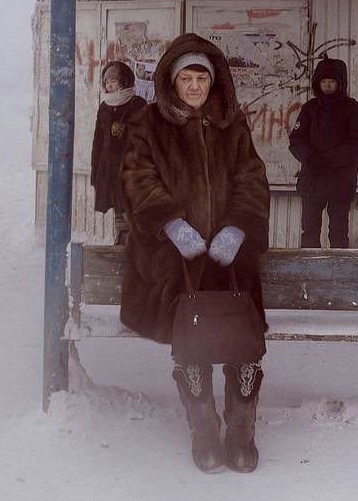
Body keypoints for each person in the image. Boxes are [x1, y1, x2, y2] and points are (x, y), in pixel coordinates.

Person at [119, 33, 270, 474]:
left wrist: (238, 226)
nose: (194, 86)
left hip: (229, 255)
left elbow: (252, 177)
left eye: (201, 77)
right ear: (171, 81)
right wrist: (170, 222)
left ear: (214, 81)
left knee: (245, 337)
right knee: (190, 340)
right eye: (186, 77)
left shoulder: (232, 122)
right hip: (172, 256)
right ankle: (204, 428)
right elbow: (135, 177)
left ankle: (241, 430)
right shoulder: (147, 123)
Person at [288, 56, 358, 248]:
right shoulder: (310, 109)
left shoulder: (353, 109)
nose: (327, 86)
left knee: (339, 232)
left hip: (340, 180)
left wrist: (326, 161)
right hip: (312, 178)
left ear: (340, 83)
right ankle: (309, 271)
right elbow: (296, 140)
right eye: (323, 81)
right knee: (309, 230)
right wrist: (311, 159)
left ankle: (339, 272)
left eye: (331, 81)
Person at [89, 61, 147, 245]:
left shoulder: (137, 104)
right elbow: (98, 141)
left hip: (131, 167)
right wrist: (95, 171)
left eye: (113, 81)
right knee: (117, 207)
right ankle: (121, 244)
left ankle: (136, 245)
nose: (110, 86)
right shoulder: (104, 107)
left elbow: (146, 138)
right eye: (107, 82)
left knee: (133, 208)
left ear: (123, 81)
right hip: (109, 168)